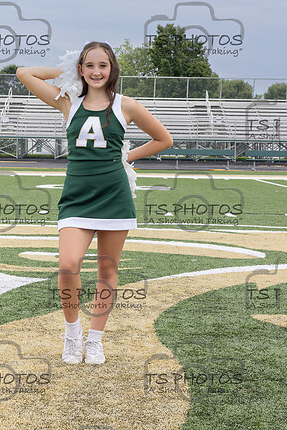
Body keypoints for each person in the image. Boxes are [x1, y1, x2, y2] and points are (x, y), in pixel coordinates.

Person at [16, 41, 173, 365]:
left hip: (114, 196)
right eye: (89, 65)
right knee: (68, 264)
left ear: (112, 69)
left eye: (103, 65)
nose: (96, 71)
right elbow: (24, 72)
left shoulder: (127, 106)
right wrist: (67, 73)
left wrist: (127, 156)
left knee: (107, 269)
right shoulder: (67, 101)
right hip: (77, 196)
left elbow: (164, 139)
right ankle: (72, 334)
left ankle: (95, 340)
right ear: (81, 69)